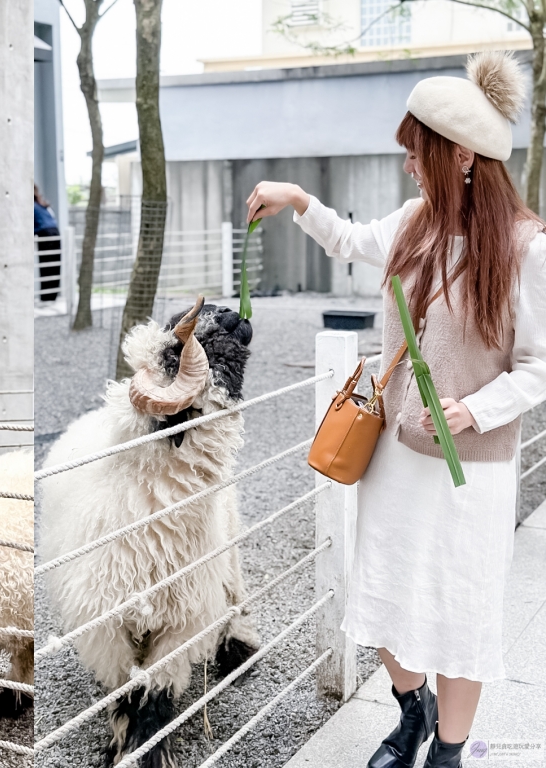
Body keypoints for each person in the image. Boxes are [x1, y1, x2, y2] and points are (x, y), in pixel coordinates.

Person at [246, 51, 546, 768]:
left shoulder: (525, 248)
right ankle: (413, 710)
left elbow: (539, 366)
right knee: (381, 593)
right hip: (392, 460)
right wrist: (295, 198)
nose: (409, 166)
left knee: (460, 612)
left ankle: (446, 752)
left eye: (418, 153)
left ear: (463, 156)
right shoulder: (415, 223)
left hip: (467, 471)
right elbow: (350, 241)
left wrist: (474, 408)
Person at [35, 183, 61, 302]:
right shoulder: (43, 205)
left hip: (45, 235)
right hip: (55, 233)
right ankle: (51, 296)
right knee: (54, 266)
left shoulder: (33, 206)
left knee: (46, 266)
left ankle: (46, 297)